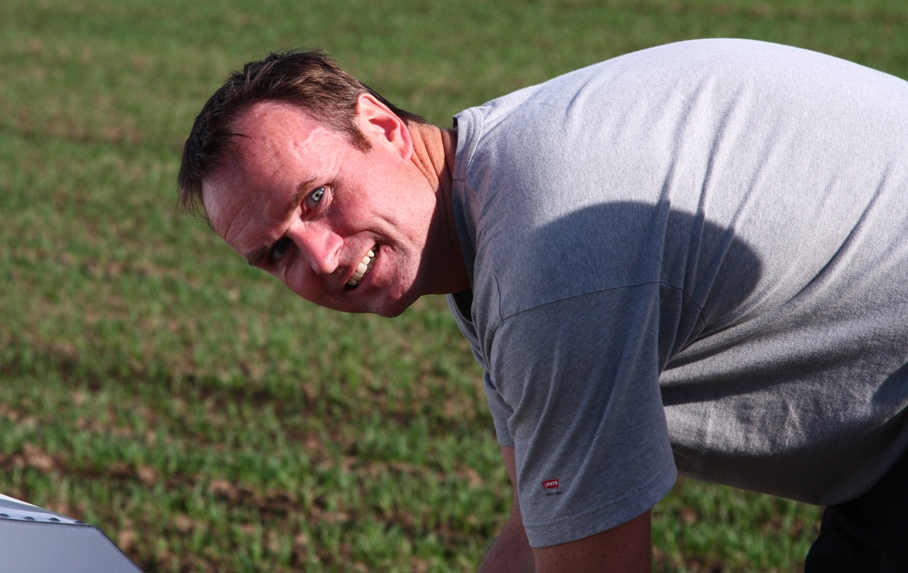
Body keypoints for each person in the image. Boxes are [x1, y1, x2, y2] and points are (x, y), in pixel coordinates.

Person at [177, 39, 908, 572]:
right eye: (277, 252)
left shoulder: (543, 256)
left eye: (316, 198)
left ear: (384, 127)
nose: (323, 258)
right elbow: (539, 524)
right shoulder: (487, 206)